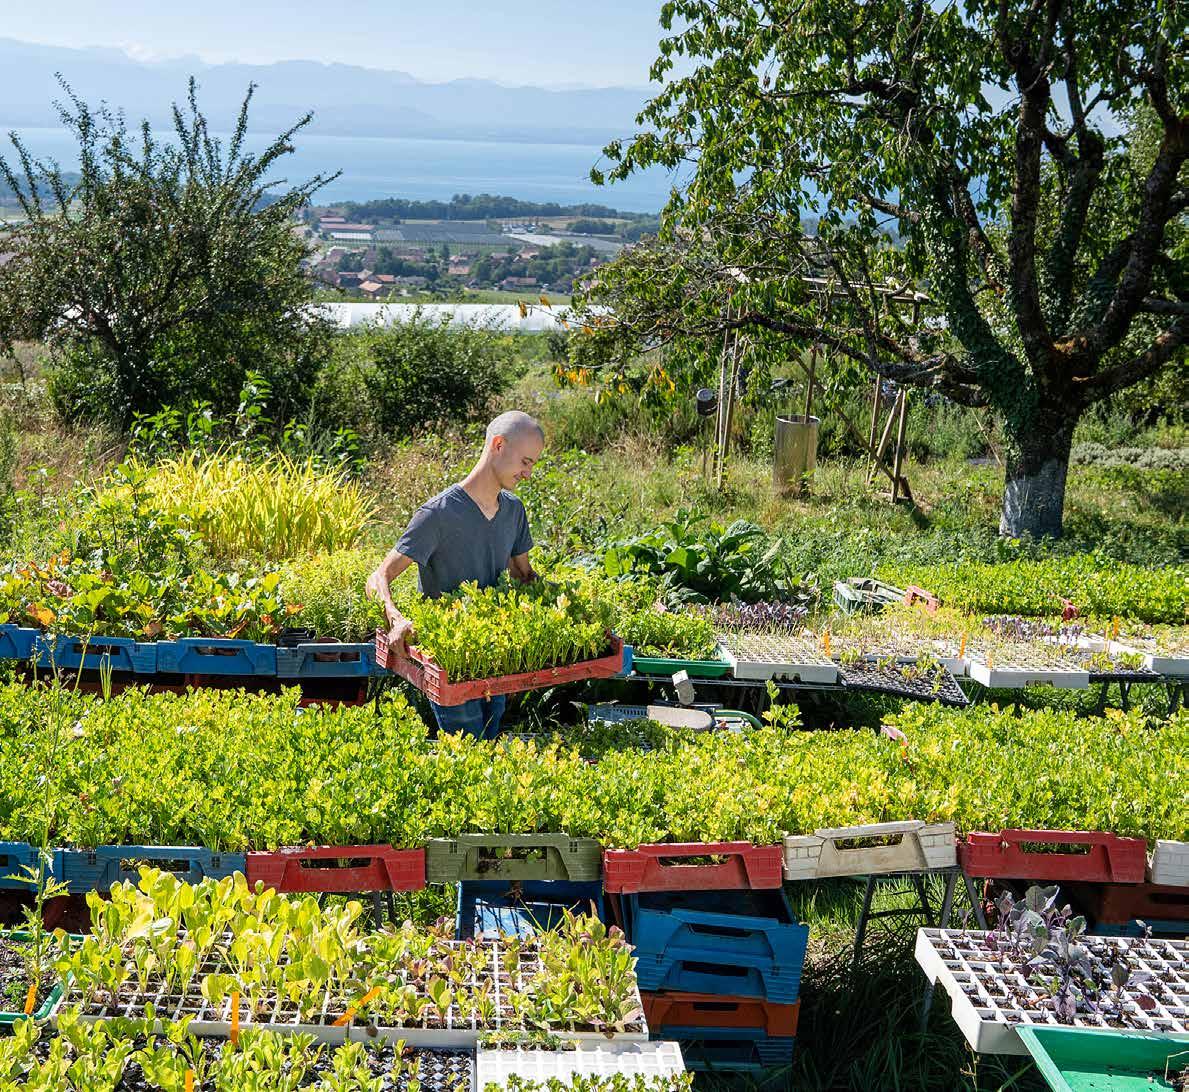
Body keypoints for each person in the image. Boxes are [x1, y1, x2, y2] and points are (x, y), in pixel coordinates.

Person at [367, 410, 544, 738]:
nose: (528, 473)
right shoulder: (438, 514)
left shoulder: (513, 512)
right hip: (450, 664)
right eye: (525, 462)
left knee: (487, 748)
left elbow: (524, 576)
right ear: (499, 445)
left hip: (496, 656)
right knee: (469, 752)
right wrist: (395, 618)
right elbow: (378, 578)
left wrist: (576, 611)